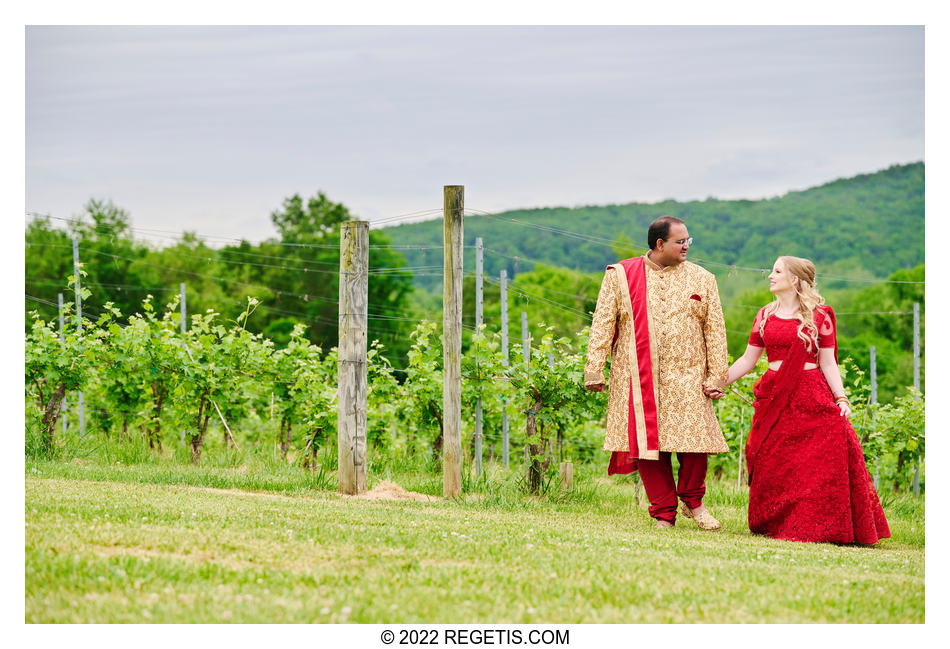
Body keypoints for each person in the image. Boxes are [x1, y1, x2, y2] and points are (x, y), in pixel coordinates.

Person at [726, 256, 890, 544]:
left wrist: (841, 398)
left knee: (817, 462)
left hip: (811, 395)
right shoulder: (764, 315)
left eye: (777, 271)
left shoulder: (820, 316)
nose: (770, 276)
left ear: (794, 280)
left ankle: (814, 524)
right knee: (773, 459)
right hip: (775, 396)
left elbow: (828, 363)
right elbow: (748, 360)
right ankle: (776, 521)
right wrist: (718, 381)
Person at [585, 216, 729, 530]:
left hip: (688, 376)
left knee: (695, 443)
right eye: (680, 241)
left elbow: (715, 330)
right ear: (660, 244)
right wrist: (593, 369)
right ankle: (664, 512)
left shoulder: (703, 278)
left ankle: (694, 502)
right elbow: (603, 323)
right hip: (635, 375)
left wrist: (717, 375)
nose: (687, 246)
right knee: (647, 445)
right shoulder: (621, 275)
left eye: (689, 240)